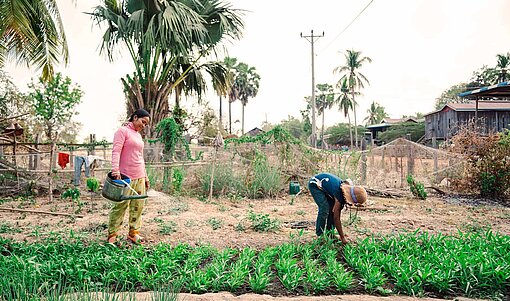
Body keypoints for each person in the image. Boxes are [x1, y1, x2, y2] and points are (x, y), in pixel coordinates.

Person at [107, 109, 151, 244]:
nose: (144, 126)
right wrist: (115, 170)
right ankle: (112, 235)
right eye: (143, 122)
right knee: (119, 206)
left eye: (146, 124)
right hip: (125, 177)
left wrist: (146, 176)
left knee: (138, 206)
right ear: (135, 117)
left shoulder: (138, 135)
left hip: (139, 176)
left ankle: (133, 233)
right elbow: (116, 151)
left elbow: (140, 157)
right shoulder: (122, 131)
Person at [308, 172, 367, 244]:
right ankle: (320, 235)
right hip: (315, 184)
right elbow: (336, 218)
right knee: (324, 208)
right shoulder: (339, 194)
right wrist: (342, 237)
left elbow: (333, 213)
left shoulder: (341, 195)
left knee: (331, 210)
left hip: (326, 187)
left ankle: (329, 233)